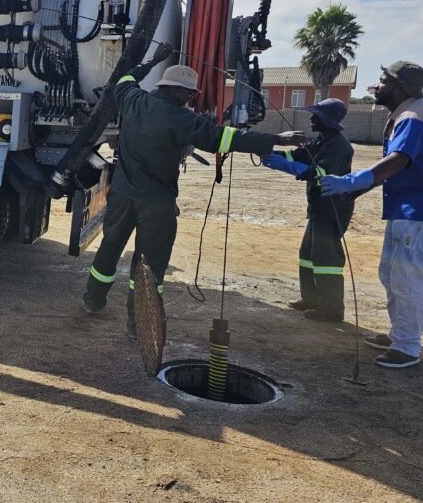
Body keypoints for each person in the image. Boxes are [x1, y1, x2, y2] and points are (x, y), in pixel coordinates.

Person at [84, 48, 306, 329]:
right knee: (150, 266)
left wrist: (152, 59)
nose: (191, 98)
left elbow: (124, 79)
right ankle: (137, 324)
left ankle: (93, 300)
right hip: (157, 205)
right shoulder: (182, 120)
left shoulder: (132, 100)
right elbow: (225, 138)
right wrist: (278, 139)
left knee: (109, 248)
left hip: (123, 195)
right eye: (188, 93)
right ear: (176, 90)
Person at [322, 60, 423, 369]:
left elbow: (398, 161)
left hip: (414, 212)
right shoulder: (407, 113)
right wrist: (356, 189)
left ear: (400, 88)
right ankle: (400, 333)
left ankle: (406, 346)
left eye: (384, 80)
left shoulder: (412, 117)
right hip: (404, 208)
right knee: (392, 273)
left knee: (405, 277)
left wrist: (355, 181)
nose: (377, 85)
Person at [261, 98, 354, 322]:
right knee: (307, 255)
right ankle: (311, 298)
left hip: (331, 209)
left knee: (326, 259)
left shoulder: (339, 146)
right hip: (317, 208)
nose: (311, 119)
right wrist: (271, 153)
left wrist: (287, 166)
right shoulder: (322, 140)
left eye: (316, 116)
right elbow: (299, 157)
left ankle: (332, 310)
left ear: (326, 120)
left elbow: (321, 174)